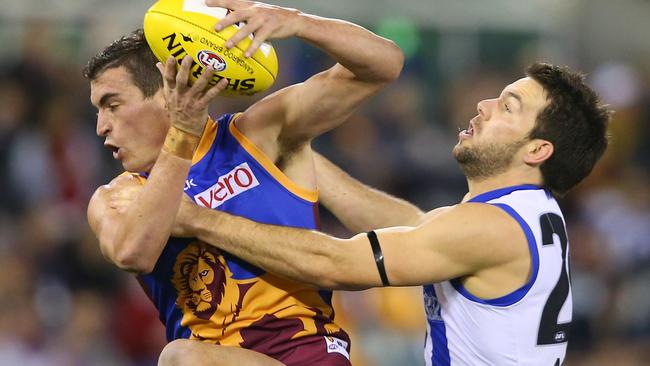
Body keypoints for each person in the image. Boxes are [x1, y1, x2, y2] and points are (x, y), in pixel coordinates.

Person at [112, 62, 611, 365]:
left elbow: (338, 265)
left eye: (508, 107)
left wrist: (199, 219)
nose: (483, 105)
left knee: (184, 359)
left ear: (538, 150)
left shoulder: (492, 227)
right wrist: (287, 159)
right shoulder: (524, 215)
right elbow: (414, 226)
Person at [84, 0, 404, 364]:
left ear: (166, 92)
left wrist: (297, 22)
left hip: (312, 354)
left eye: (112, 105)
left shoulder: (261, 134)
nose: (101, 127)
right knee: (181, 357)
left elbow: (384, 64)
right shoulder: (115, 196)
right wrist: (183, 136)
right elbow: (133, 253)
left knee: (181, 358)